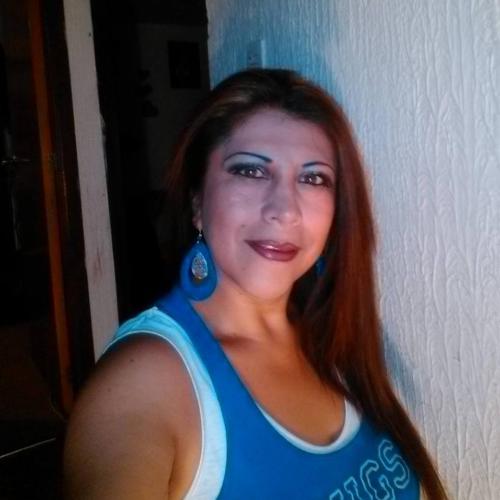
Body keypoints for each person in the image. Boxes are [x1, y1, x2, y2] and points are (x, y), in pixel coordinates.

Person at [64, 68, 447, 499]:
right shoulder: (144, 382)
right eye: (250, 171)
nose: (285, 209)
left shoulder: (334, 338)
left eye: (313, 178)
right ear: (197, 202)